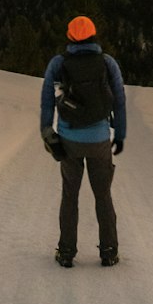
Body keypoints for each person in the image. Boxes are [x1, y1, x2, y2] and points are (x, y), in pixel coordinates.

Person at [40, 15, 126, 268]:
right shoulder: (107, 63)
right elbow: (119, 100)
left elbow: (46, 100)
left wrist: (47, 132)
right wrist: (119, 134)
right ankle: (109, 252)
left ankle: (66, 252)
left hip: (68, 140)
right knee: (103, 195)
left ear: (69, 37)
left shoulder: (58, 63)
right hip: (99, 139)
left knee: (70, 195)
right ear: (93, 35)